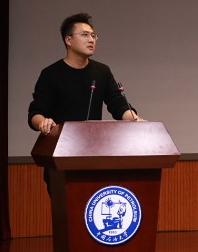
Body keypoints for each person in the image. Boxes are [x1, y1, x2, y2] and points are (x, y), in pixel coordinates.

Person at [28, 12, 145, 194]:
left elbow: (118, 105)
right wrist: (43, 122)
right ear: (68, 40)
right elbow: (36, 113)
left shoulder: (101, 72)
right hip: (62, 155)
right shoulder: (51, 74)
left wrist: (135, 119)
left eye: (93, 35)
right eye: (84, 35)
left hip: (94, 155)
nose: (91, 40)